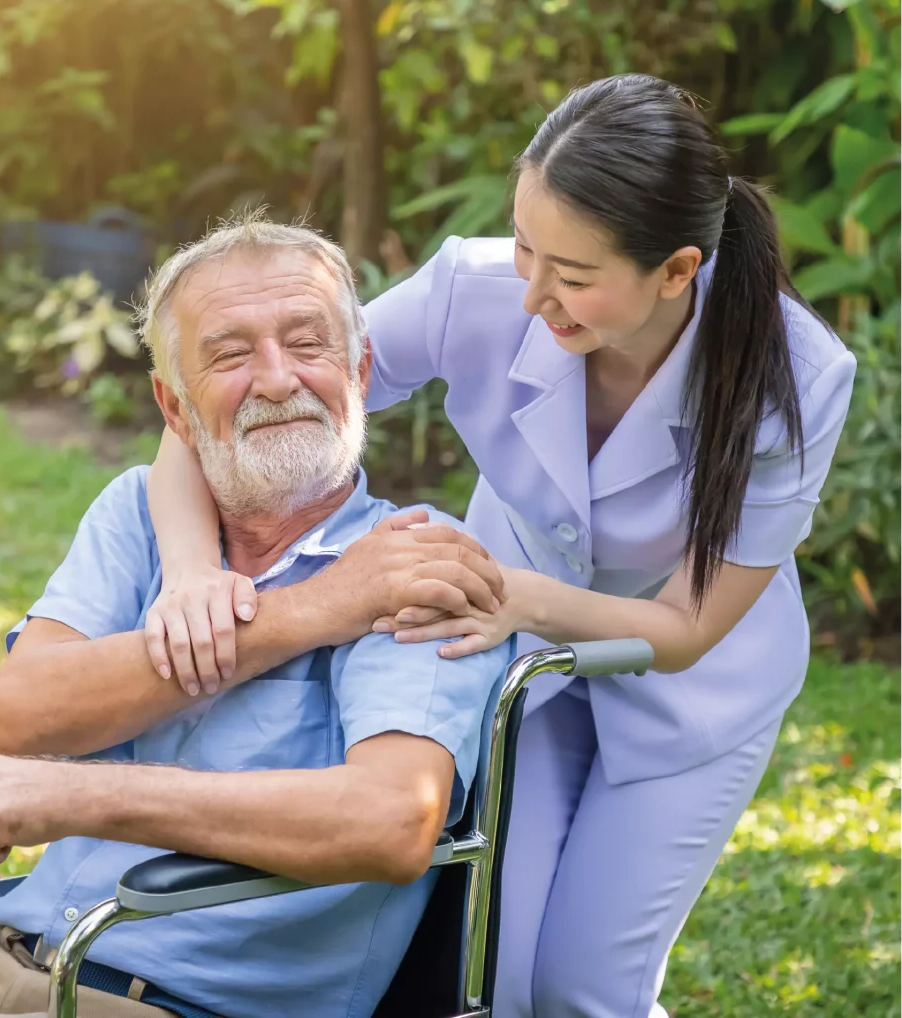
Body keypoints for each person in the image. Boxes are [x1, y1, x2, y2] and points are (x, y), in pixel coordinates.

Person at [145, 75, 857, 1017]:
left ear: (677, 270)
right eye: (525, 246)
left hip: (691, 690)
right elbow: (228, 406)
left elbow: (686, 628)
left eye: (571, 275)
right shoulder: (471, 291)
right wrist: (192, 572)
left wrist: (511, 596)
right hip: (517, 670)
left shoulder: (797, 376)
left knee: (584, 989)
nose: (531, 295)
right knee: (492, 977)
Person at [0, 220, 512, 1018]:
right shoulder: (137, 519)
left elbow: (391, 821)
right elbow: (21, 714)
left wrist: (70, 797)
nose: (278, 379)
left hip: (164, 1004)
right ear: (174, 410)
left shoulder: (411, 562)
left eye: (307, 343)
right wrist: (312, 610)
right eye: (230, 354)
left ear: (358, 372)